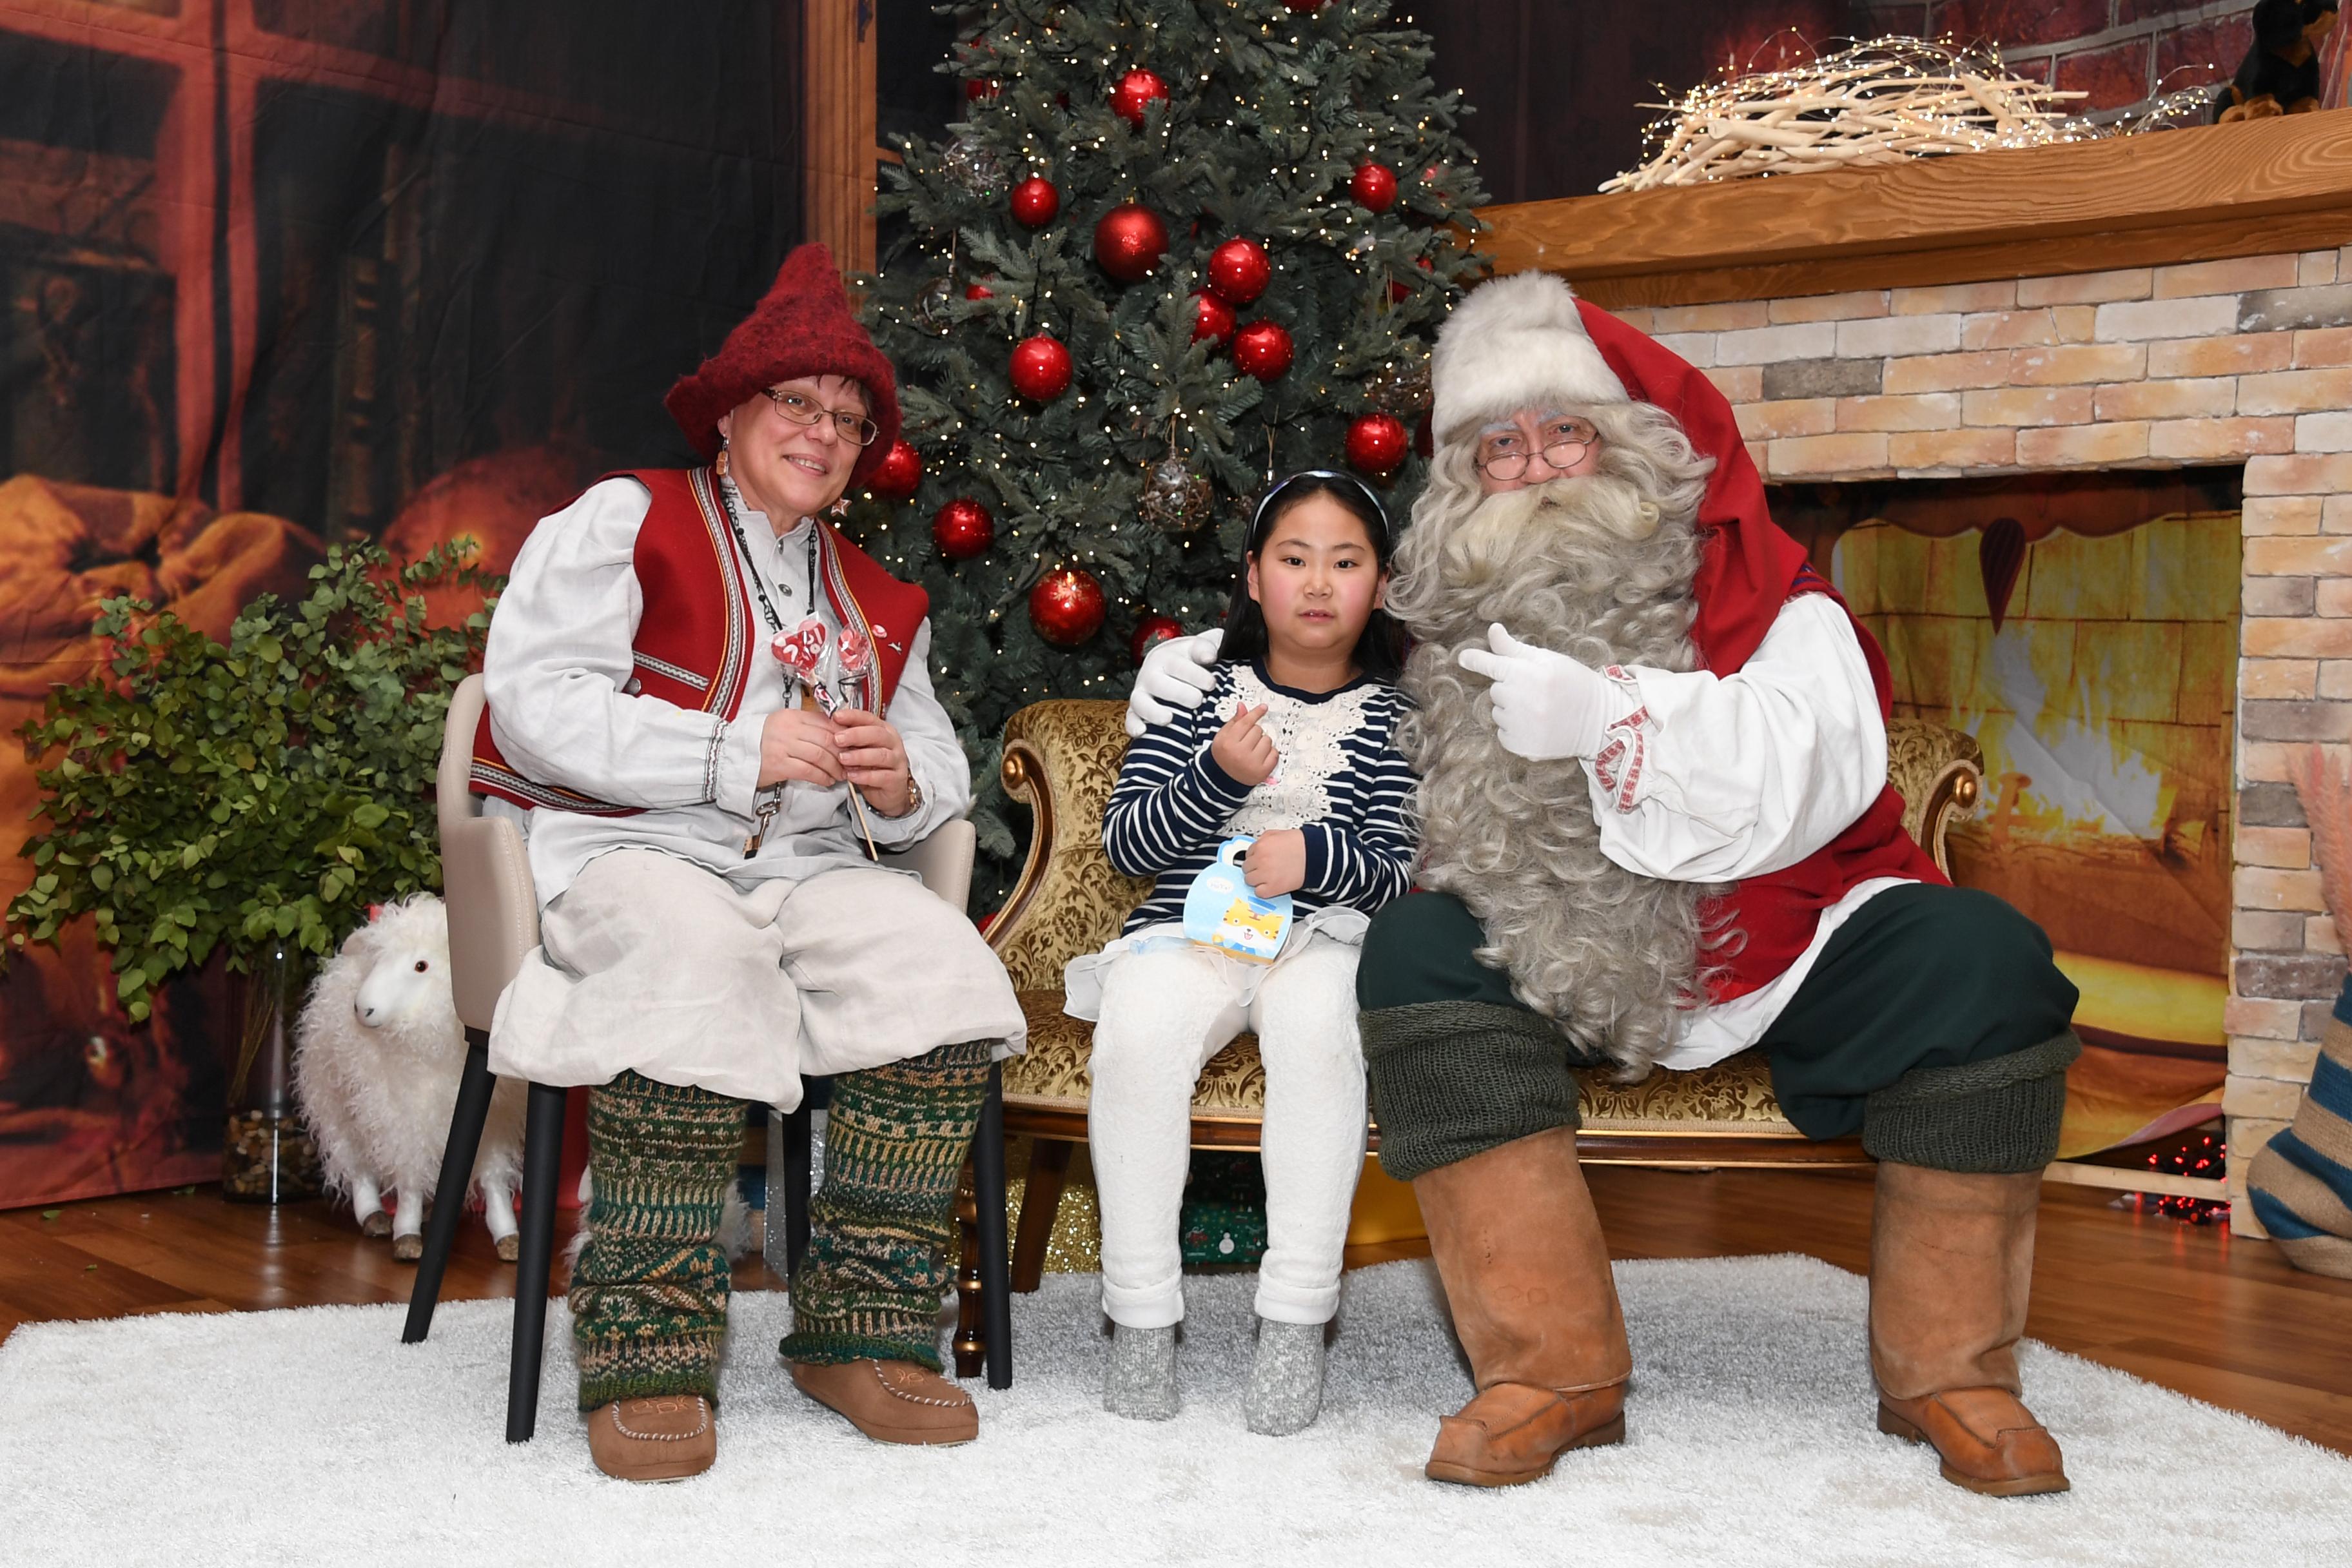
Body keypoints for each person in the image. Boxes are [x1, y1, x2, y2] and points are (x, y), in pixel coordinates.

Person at [1128, 273, 2081, 1497]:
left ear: (1629, 445)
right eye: (1500, 448)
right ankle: (1550, 1367)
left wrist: (1612, 716)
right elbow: (1310, 645)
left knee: (1986, 963)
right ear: (1464, 484)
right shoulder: (1439, 614)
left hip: (1777, 944)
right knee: (1416, 954)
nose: (1536, 468)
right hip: (1544, 953)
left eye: (1564, 431)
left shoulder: (1770, 593)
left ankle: (1955, 1375)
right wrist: (1208, 671)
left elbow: (1819, 765)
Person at [477, 244, 1025, 1482]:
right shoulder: (627, 517)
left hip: (814, 871)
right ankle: (648, 1351)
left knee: (938, 968)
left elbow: (939, 769)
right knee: (696, 959)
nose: (824, 434)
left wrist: (899, 778)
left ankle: (861, 1332)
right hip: (632, 849)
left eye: (847, 419)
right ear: (730, 413)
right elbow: (534, 704)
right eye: (797, 404)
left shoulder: (882, 599)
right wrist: (736, 751)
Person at [1071, 473, 1415, 1435]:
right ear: (1254, 579)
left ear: (1380, 586)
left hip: (1323, 937)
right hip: (1189, 931)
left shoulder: (1401, 717)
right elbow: (1130, 845)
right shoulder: (1196, 689)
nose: (1318, 583)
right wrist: (1219, 775)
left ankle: (1295, 1321)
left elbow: (1399, 876)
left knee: (1319, 1039)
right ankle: (1140, 1320)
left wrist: (1315, 855)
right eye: (1294, 559)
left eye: (1345, 562)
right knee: (1136, 1039)